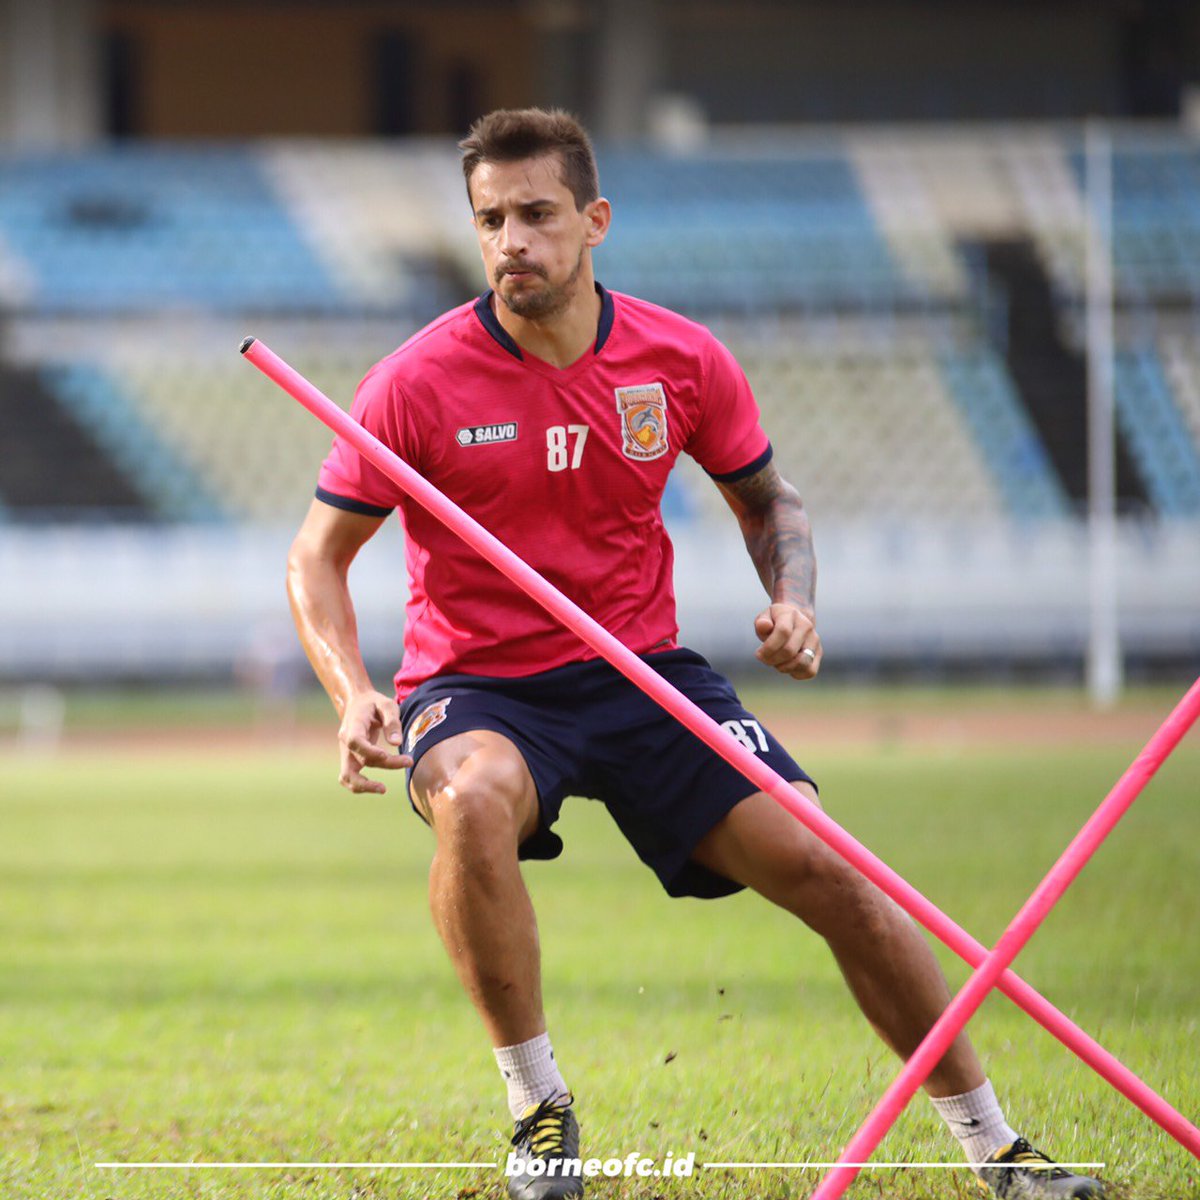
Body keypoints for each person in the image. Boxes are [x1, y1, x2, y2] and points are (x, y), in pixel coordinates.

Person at [286, 107, 1104, 1200]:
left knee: (833, 870)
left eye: (536, 214)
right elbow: (317, 558)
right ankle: (538, 1108)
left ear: (595, 220)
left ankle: (996, 1149)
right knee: (473, 800)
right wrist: (350, 692)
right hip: (479, 685)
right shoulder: (412, 382)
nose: (512, 242)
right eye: (490, 221)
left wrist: (792, 601)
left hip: (643, 674)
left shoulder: (679, 357)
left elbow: (769, 501)